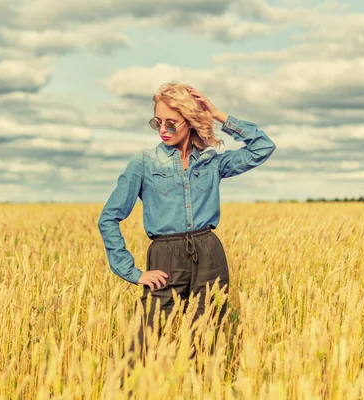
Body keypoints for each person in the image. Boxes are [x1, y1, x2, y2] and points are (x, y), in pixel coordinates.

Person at [97, 81, 276, 366]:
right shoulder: (144, 163)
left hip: (209, 254)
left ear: (190, 122)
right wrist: (131, 272)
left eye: (172, 123)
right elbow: (108, 217)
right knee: (143, 347)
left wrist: (218, 114)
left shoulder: (212, 162)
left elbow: (262, 147)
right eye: (158, 123)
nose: (163, 131)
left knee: (206, 346)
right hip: (165, 257)